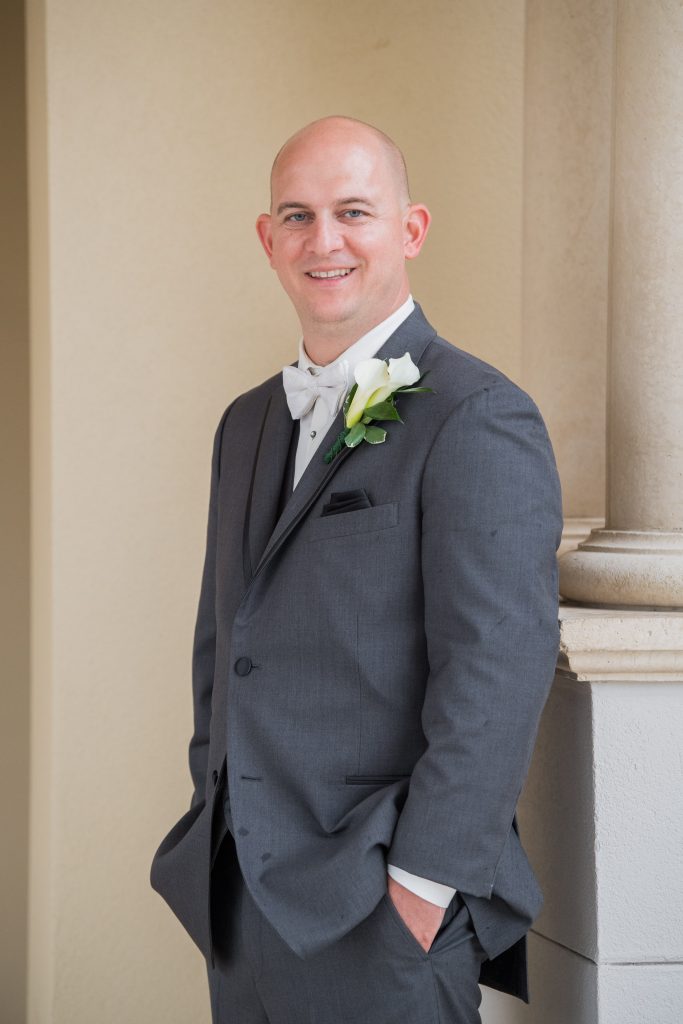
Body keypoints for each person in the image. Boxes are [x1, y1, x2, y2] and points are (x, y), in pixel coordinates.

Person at [151, 116, 563, 1024]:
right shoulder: (246, 425)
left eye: (352, 211)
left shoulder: (478, 416)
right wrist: (213, 815)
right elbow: (225, 647)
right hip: (242, 903)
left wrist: (418, 891)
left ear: (410, 230)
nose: (322, 240)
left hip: (379, 907)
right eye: (295, 216)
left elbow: (497, 668)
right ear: (267, 240)